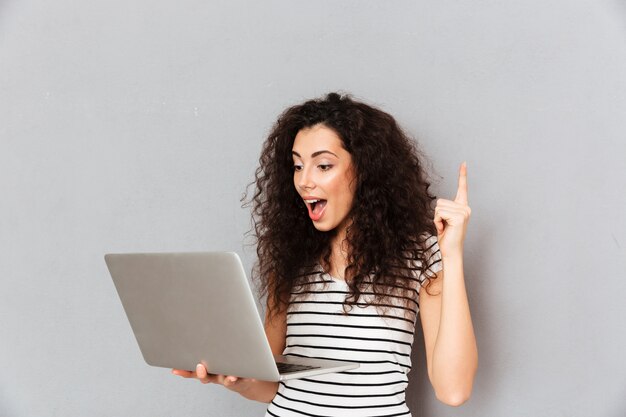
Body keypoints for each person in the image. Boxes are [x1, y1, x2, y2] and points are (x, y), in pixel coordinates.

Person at [172, 92, 478, 416]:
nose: (304, 181)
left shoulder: (418, 255)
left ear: (365, 169)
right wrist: (235, 380)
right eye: (298, 166)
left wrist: (452, 254)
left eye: (323, 165)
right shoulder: (291, 256)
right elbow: (270, 383)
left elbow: (453, 390)